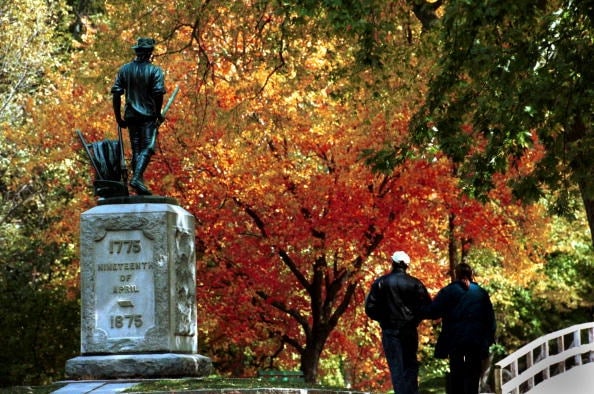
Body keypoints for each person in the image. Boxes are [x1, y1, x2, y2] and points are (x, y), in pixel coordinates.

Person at [422, 263, 496, 394]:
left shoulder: (448, 291)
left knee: (457, 374)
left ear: (456, 274)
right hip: (476, 341)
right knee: (473, 375)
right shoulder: (481, 293)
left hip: (455, 340)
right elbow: (490, 319)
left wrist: (418, 308)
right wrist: (488, 339)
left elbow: (433, 312)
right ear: (471, 274)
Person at [365, 251, 431, 394]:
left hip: (390, 331)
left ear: (392, 263)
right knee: (410, 366)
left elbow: (370, 308)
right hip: (409, 330)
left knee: (396, 368)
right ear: (407, 266)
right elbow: (427, 308)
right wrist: (415, 320)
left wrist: (384, 319)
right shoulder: (416, 284)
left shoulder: (380, 283)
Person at [111, 37, 166, 195]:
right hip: (147, 116)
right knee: (148, 147)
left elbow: (116, 94)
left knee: (137, 150)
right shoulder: (155, 71)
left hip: (131, 116)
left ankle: (138, 183)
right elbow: (158, 94)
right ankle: (136, 178)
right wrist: (157, 114)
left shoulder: (125, 70)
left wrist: (118, 117)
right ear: (149, 53)